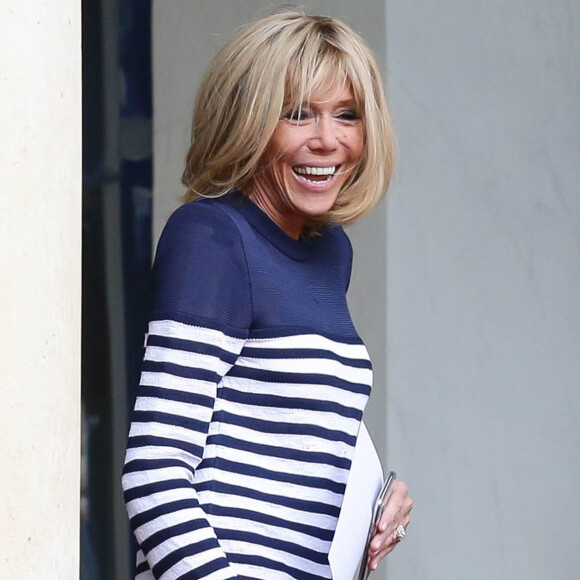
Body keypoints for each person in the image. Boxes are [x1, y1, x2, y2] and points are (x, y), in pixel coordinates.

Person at [122, 12, 413, 580]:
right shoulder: (211, 238)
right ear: (248, 121)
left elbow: (285, 433)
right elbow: (156, 470)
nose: (327, 139)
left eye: (347, 115)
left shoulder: (330, 254)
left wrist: (380, 496)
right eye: (298, 114)